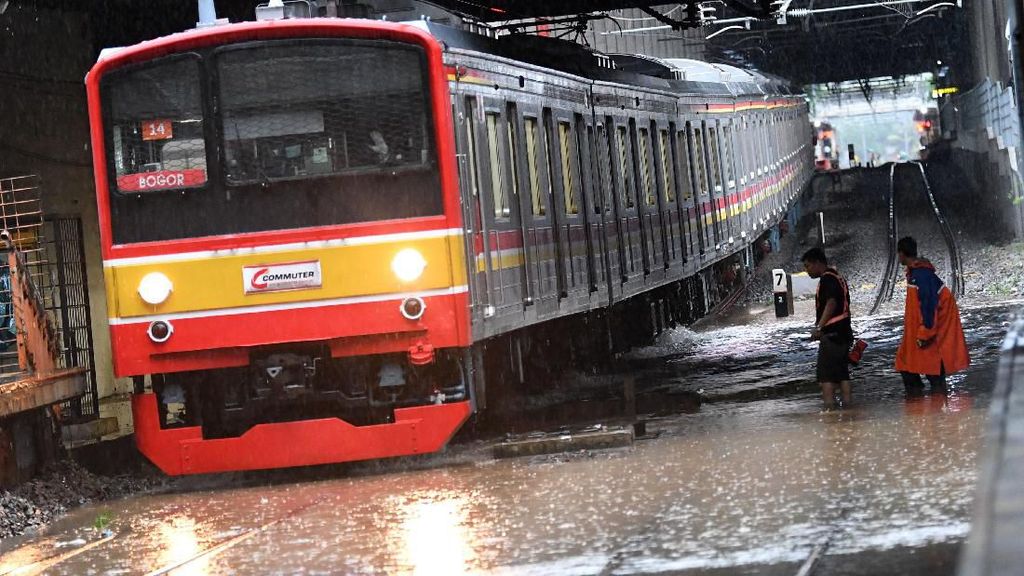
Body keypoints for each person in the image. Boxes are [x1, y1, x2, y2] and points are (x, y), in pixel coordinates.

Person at [894, 236, 970, 395]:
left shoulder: (920, 276)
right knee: (914, 368)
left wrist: (925, 333)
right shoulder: (920, 273)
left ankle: (924, 407)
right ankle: (934, 409)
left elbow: (929, 306)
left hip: (928, 333)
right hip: (925, 332)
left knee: (928, 371)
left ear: (901, 254)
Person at [802, 248, 853, 410]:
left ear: (818, 263)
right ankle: (848, 409)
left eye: (808, 266)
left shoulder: (827, 280)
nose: (807, 270)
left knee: (826, 378)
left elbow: (831, 303)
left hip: (832, 336)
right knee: (842, 374)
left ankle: (830, 413)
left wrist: (819, 327)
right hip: (844, 334)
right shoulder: (837, 277)